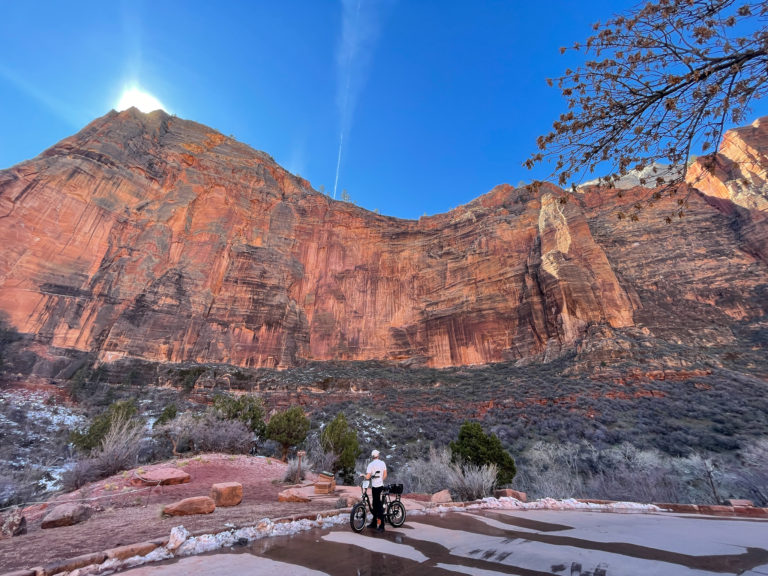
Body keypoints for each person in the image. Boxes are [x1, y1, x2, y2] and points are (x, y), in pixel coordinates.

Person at [364, 449, 387, 531]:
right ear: (378, 456)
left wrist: (363, 475)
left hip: (374, 487)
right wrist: (381, 480)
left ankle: (382, 526)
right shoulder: (382, 463)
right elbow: (385, 474)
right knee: (376, 505)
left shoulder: (371, 464)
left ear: (372, 456)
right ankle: (374, 523)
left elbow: (367, 477)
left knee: (377, 505)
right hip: (380, 486)